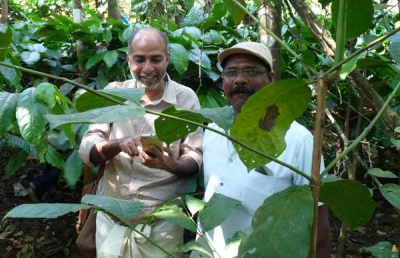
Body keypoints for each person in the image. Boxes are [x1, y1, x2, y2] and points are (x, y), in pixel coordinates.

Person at [191, 42, 331, 258]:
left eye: (250, 71)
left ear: (271, 79)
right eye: (231, 72)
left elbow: (318, 221)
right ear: (223, 80)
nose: (239, 79)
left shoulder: (299, 139)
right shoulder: (214, 128)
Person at [79, 27, 203, 258]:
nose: (147, 68)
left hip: (162, 224)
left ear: (167, 58)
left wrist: (170, 164)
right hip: (112, 218)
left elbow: (194, 157)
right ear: (128, 59)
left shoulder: (186, 99)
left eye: (156, 59)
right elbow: (88, 148)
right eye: (139, 60)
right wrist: (117, 145)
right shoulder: (113, 93)